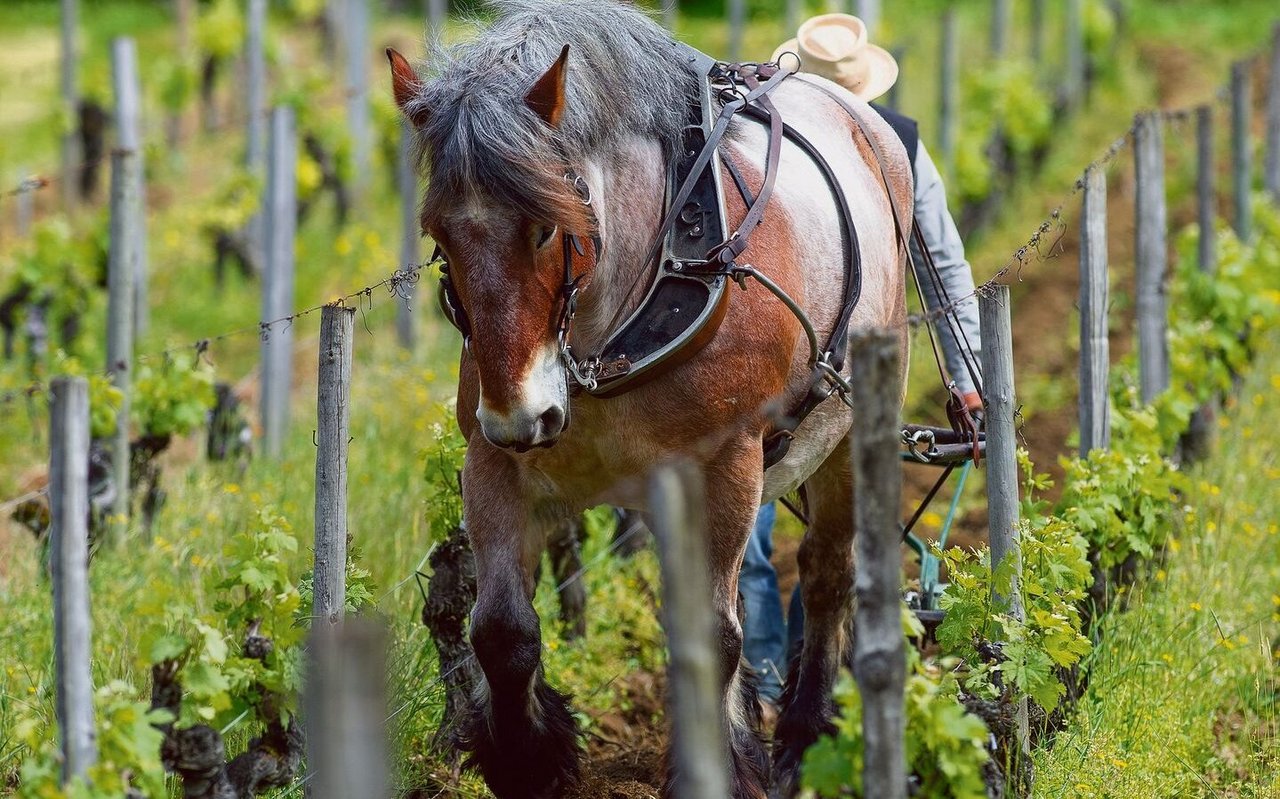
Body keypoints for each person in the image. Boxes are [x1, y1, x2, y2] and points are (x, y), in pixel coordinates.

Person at [741, 13, 985, 714]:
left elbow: (940, 262)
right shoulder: (755, 139)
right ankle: (762, 677)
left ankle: (786, 670)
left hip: (817, 370)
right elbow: (943, 264)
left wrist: (966, 376)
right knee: (751, 534)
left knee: (815, 537)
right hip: (780, 365)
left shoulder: (892, 147)